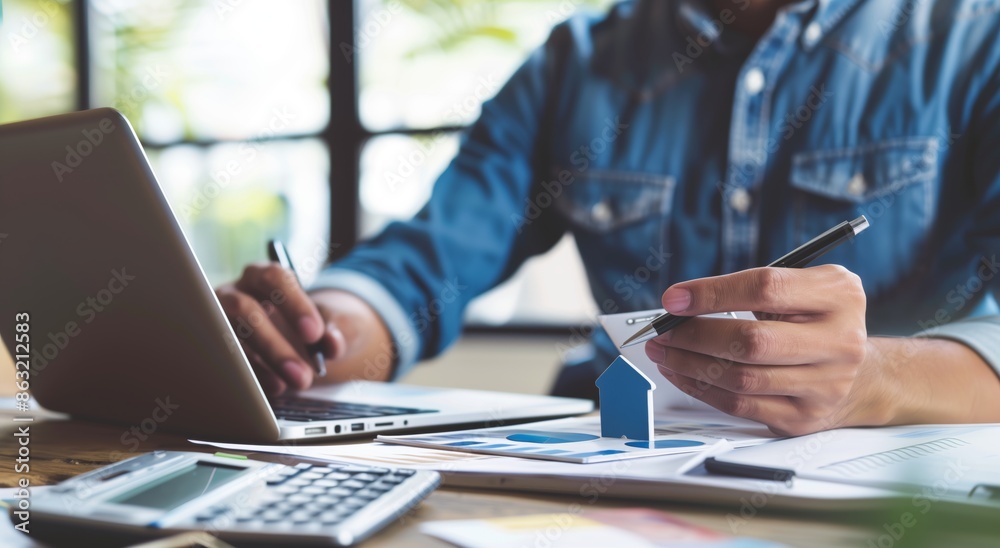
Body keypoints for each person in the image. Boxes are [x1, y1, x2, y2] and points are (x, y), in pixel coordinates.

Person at [216, 0, 1000, 436]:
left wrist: (874, 379)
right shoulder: (576, 61)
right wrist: (312, 335)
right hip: (607, 471)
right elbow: (425, 264)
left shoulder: (976, 42)